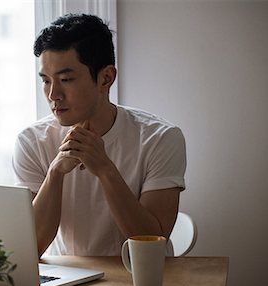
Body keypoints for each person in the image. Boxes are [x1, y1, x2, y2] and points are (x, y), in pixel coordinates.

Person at [12, 14, 186, 257]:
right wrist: (55, 173)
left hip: (138, 283)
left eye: (66, 79)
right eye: (46, 81)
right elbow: (32, 248)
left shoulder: (160, 138)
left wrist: (105, 169)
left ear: (106, 78)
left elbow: (152, 243)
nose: (53, 94)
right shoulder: (31, 141)